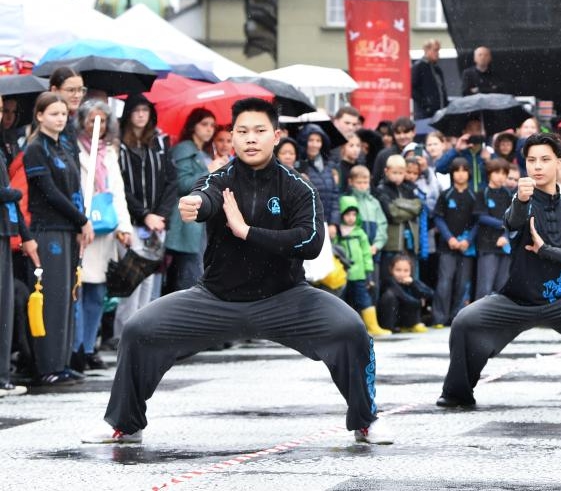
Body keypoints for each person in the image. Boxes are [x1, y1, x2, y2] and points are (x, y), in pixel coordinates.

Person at [82, 98, 393, 446]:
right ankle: (124, 423)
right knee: (139, 329)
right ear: (231, 137)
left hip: (287, 299)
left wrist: (248, 232)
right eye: (242, 131)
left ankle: (366, 420)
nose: (250, 138)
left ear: (276, 136)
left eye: (259, 131)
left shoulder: (297, 187)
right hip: (216, 299)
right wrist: (196, 204)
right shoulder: (218, 179)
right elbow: (207, 197)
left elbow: (310, 242)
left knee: (351, 330)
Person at [436, 133, 561, 408]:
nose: (537, 166)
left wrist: (547, 251)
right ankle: (457, 393)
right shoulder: (519, 201)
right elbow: (512, 222)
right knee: (465, 322)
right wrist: (522, 201)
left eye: (545, 159)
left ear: (560, 162)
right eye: (531, 160)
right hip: (516, 300)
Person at [25, 92, 94, 385]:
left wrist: (81, 222)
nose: (60, 118)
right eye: (53, 113)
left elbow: (74, 189)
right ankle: (48, 365)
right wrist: (81, 219)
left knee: (67, 297)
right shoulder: (35, 149)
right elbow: (49, 193)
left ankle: (62, 361)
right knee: (51, 297)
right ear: (40, 116)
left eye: (63, 114)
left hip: (68, 228)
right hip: (48, 229)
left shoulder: (64, 146)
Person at [73, 101, 133, 371]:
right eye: (91, 119)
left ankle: (89, 346)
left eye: (102, 120)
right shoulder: (73, 148)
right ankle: (74, 347)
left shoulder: (109, 152)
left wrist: (125, 226)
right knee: (79, 288)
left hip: (106, 226)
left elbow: (117, 189)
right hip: (82, 226)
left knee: (97, 291)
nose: (97, 125)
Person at [117, 94, 176, 329]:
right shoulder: (119, 145)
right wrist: (144, 214)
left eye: (145, 110)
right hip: (131, 222)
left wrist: (161, 214)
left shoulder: (160, 143)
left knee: (150, 281)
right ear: (128, 115)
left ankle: (143, 329)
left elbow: (171, 181)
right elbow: (119, 185)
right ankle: (124, 331)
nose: (141, 115)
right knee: (131, 280)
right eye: (136, 110)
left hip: (158, 223)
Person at [0, 93, 37, 397]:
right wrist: (10, 194)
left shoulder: (8, 142)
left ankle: (4, 375)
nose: (5, 116)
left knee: (9, 301)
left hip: (7, 228)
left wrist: (23, 235)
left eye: (7, 111)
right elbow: (8, 192)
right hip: (5, 226)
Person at [165, 109, 220, 294]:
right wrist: (209, 171)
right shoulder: (184, 149)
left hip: (200, 222)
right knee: (188, 276)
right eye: (204, 124)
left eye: (212, 125)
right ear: (193, 126)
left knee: (195, 273)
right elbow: (181, 184)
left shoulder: (202, 151)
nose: (209, 129)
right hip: (186, 222)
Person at [431, 158, 477, 327]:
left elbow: (477, 221)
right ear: (452, 173)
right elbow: (438, 217)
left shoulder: (474, 195)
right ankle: (439, 318)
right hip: (447, 246)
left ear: (469, 173)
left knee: (463, 282)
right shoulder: (446, 194)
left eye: (464, 170)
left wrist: (468, 240)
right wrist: (449, 237)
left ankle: (457, 318)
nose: (460, 174)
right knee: (444, 281)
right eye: (457, 170)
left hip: (467, 247)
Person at [335, 196, 388, 337]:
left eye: (354, 214)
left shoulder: (360, 233)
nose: (351, 218)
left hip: (359, 274)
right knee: (341, 301)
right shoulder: (337, 234)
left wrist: (368, 272)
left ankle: (372, 325)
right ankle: (341, 327)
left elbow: (366, 254)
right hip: (342, 274)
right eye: (347, 214)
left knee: (364, 299)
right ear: (341, 215)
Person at [472, 158, 512, 299]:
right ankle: (479, 320)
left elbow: (514, 219)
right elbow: (481, 217)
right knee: (485, 286)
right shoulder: (482, 193)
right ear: (489, 174)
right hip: (487, 244)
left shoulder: (508, 194)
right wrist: (502, 223)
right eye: (497, 173)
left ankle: (499, 319)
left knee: (502, 285)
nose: (500, 177)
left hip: (505, 245)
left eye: (504, 173)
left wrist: (506, 236)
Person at [296, 124, 341, 238]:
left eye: (318, 140)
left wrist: (334, 224)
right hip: (307, 227)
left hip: (327, 226)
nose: (314, 144)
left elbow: (335, 198)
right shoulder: (297, 166)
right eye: (310, 140)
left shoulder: (329, 166)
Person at [378, 253, 433, 333]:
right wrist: (419, 303)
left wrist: (413, 283)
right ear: (391, 270)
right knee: (390, 296)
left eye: (406, 271)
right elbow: (404, 297)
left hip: (405, 315)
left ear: (410, 271)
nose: (402, 274)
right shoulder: (389, 281)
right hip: (392, 319)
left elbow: (430, 293)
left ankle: (412, 324)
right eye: (398, 270)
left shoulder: (410, 280)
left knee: (417, 291)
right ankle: (390, 327)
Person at [435, 119, 490, 193]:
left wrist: (488, 161)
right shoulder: (457, 154)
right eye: (470, 129)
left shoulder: (489, 154)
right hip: (462, 198)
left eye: (478, 129)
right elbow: (439, 168)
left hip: (483, 199)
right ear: (464, 132)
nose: (474, 132)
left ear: (483, 132)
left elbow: (499, 178)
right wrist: (456, 150)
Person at [48, 67, 86, 157]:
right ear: (54, 90)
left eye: (80, 90)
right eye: (71, 90)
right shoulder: (47, 124)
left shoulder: (71, 121)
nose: (77, 95)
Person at [411, 38, 448, 121]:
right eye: (435, 50)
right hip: (425, 115)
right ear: (426, 50)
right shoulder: (419, 67)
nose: (438, 54)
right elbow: (412, 88)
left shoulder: (437, 69)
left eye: (438, 51)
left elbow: (442, 90)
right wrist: (426, 105)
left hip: (440, 113)